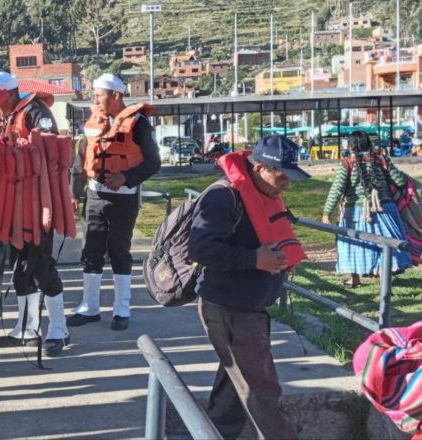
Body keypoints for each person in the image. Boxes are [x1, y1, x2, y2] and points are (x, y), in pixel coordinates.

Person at [188, 135, 309, 440]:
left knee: (234, 388)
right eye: (281, 175)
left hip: (248, 309)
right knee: (261, 389)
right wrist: (254, 259)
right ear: (259, 168)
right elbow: (200, 248)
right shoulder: (223, 197)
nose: (286, 185)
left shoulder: (259, 192)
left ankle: (213, 434)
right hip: (228, 307)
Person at [0, 71, 71, 357]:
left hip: (38, 203)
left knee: (42, 266)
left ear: (8, 93)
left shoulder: (36, 113)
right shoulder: (5, 118)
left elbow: (49, 151)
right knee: (20, 268)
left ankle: (59, 329)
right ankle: (26, 326)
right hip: (15, 203)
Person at [67, 73, 161, 331]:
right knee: (90, 251)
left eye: (99, 95)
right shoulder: (93, 123)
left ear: (115, 95)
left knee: (119, 252)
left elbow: (154, 162)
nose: (95, 100)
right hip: (95, 196)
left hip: (124, 199)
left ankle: (122, 309)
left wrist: (126, 177)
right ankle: (90, 307)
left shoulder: (139, 123)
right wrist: (75, 193)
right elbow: (80, 160)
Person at [322, 131, 412, 288]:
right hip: (384, 210)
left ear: (350, 146)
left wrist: (326, 214)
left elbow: (337, 189)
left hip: (356, 212)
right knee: (386, 243)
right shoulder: (381, 159)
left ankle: (355, 279)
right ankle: (385, 282)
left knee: (354, 243)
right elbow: (399, 180)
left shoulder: (347, 163)